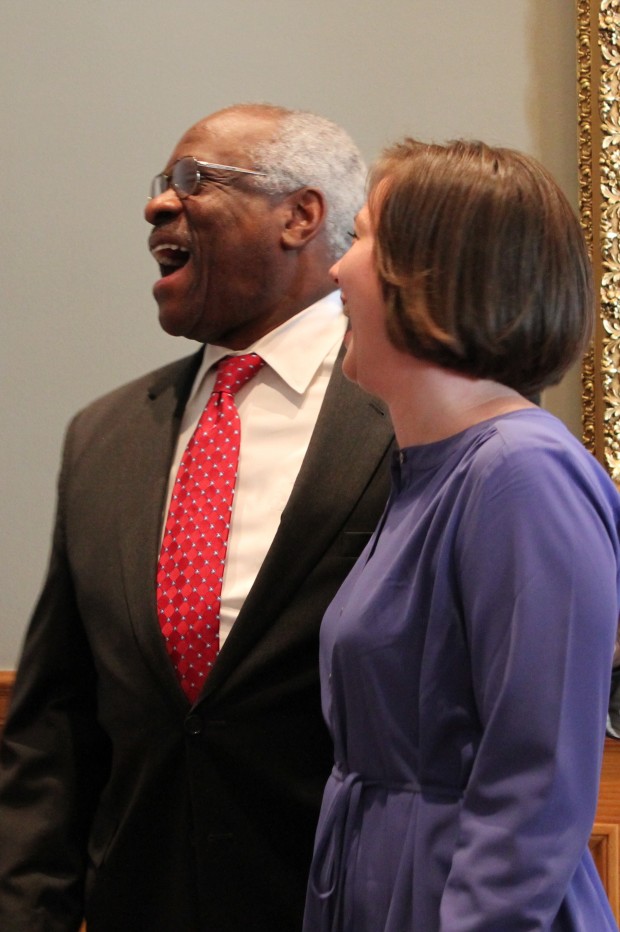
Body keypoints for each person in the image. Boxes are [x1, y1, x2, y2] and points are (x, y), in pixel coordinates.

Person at [0, 104, 394, 932]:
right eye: (162, 186)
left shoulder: (408, 415)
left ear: (300, 215)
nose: (157, 206)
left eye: (195, 182)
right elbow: (55, 730)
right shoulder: (103, 437)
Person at [303, 138, 620, 931]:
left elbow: (533, 786)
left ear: (436, 274)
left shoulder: (521, 474)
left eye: (366, 237)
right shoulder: (429, 472)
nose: (338, 269)